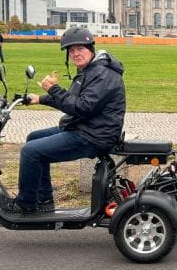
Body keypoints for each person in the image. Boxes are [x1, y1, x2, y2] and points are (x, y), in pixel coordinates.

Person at [8, 27, 126, 213]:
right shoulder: (90, 70)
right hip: (85, 127)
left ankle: (26, 205)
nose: (75, 54)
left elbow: (82, 107)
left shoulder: (103, 74)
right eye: (71, 51)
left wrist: (53, 90)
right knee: (33, 138)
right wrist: (40, 99)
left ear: (91, 48)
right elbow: (72, 100)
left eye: (80, 49)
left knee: (30, 152)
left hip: (94, 136)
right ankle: (44, 200)